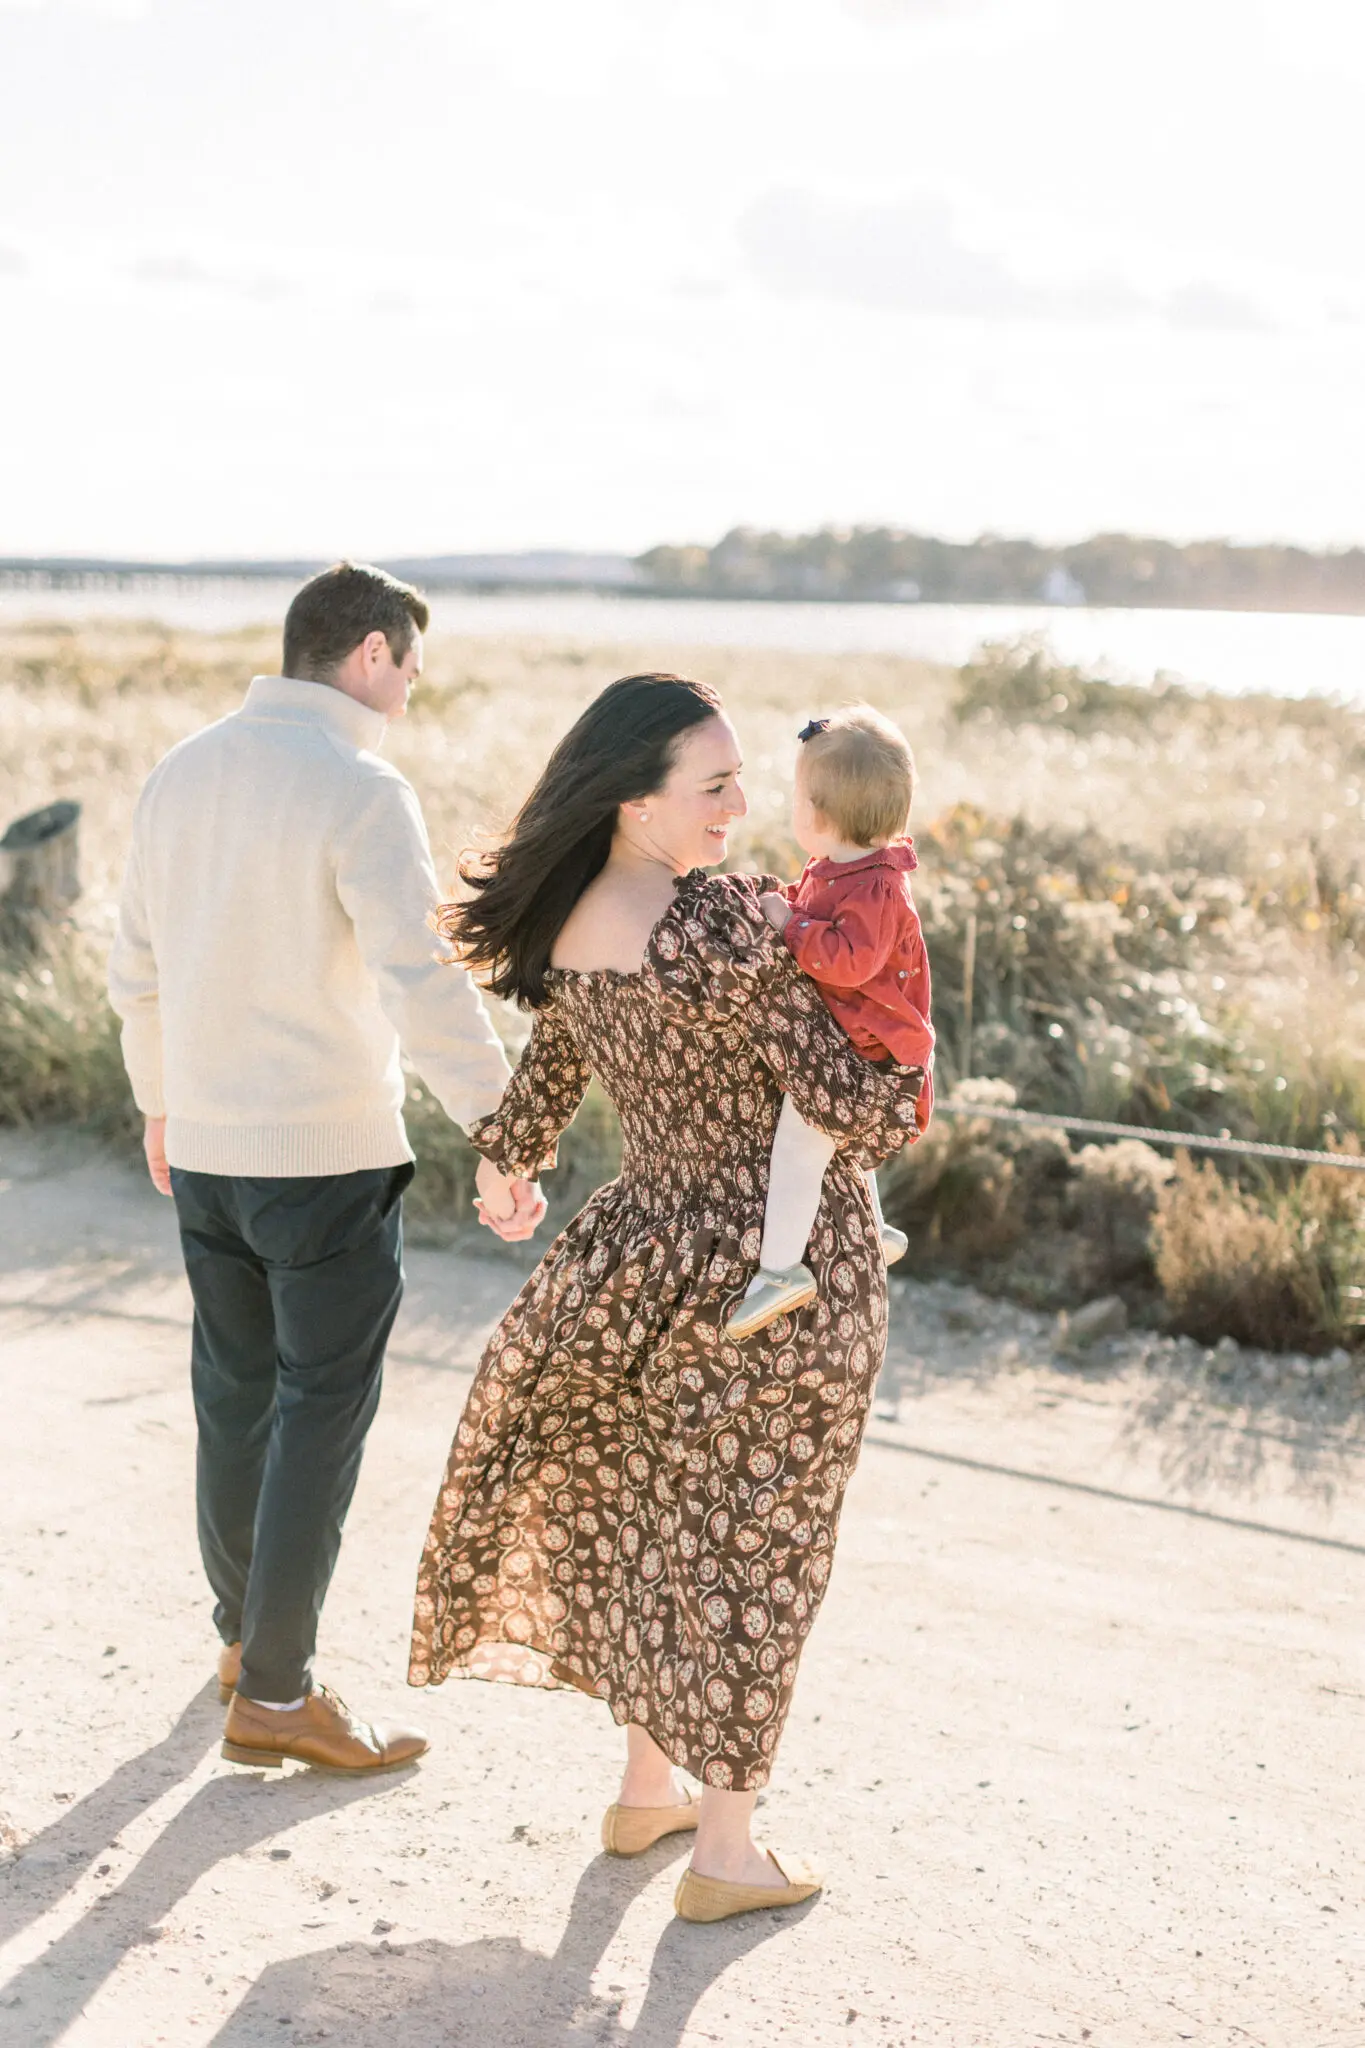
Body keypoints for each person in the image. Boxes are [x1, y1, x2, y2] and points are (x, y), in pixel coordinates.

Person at [408, 672, 928, 1922]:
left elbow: (550, 1075)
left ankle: (651, 1788)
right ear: (637, 801)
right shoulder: (724, 926)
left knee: (656, 1514)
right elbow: (852, 1106)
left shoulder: (583, 916)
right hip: (778, 1277)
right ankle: (727, 1849)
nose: (742, 806)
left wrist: (509, 1164)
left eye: (747, 778)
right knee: (758, 1542)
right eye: (715, 785)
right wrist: (905, 1066)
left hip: (640, 1253)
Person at [107, 560, 543, 1775]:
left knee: (234, 1394)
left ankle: (247, 1648)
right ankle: (282, 1690)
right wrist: (501, 1125)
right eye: (409, 660)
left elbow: (133, 969)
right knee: (317, 1410)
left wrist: (157, 1102)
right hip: (324, 1160)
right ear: (366, 653)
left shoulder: (179, 770)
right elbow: (420, 974)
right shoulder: (360, 784)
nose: (411, 683)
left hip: (204, 1148)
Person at [726, 706, 935, 1340]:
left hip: (871, 1050)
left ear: (816, 813)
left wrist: (789, 925)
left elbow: (846, 963)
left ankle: (781, 1270)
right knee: (832, 1143)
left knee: (798, 1146)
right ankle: (872, 1225)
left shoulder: (875, 889)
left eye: (796, 795)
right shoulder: (844, 869)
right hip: (861, 1042)